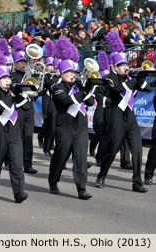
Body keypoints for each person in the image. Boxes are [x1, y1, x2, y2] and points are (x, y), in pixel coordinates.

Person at [95, 39, 151, 192]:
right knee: (112, 150)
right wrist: (134, 79)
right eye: (122, 66)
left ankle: (137, 182)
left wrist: (142, 77)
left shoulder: (130, 79)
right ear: (114, 68)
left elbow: (147, 88)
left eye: (126, 65)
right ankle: (102, 175)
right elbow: (119, 89)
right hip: (116, 117)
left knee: (138, 150)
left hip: (130, 118)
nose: (126, 67)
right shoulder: (109, 78)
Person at [48, 36, 94, 200]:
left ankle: (81, 188)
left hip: (81, 127)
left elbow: (89, 101)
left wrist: (85, 88)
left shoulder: (78, 86)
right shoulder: (57, 87)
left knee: (81, 158)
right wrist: (82, 91)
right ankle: (53, 181)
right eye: (69, 73)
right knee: (61, 156)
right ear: (62, 73)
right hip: (65, 127)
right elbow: (66, 101)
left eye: (75, 72)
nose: (73, 75)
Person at [0, 42, 28, 203]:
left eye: (8, 77)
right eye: (4, 78)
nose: (7, 81)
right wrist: (13, 96)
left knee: (17, 163)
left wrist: (24, 94)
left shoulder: (13, 91)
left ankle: (19, 193)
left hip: (14, 131)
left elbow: (26, 106)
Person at [10, 35, 37, 174]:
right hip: (18, 108)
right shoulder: (13, 76)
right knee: (17, 136)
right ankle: (13, 161)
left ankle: (28, 164)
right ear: (15, 63)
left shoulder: (31, 75)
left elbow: (37, 93)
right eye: (20, 62)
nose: (23, 64)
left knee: (28, 136)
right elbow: (12, 91)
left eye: (24, 61)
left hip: (29, 108)